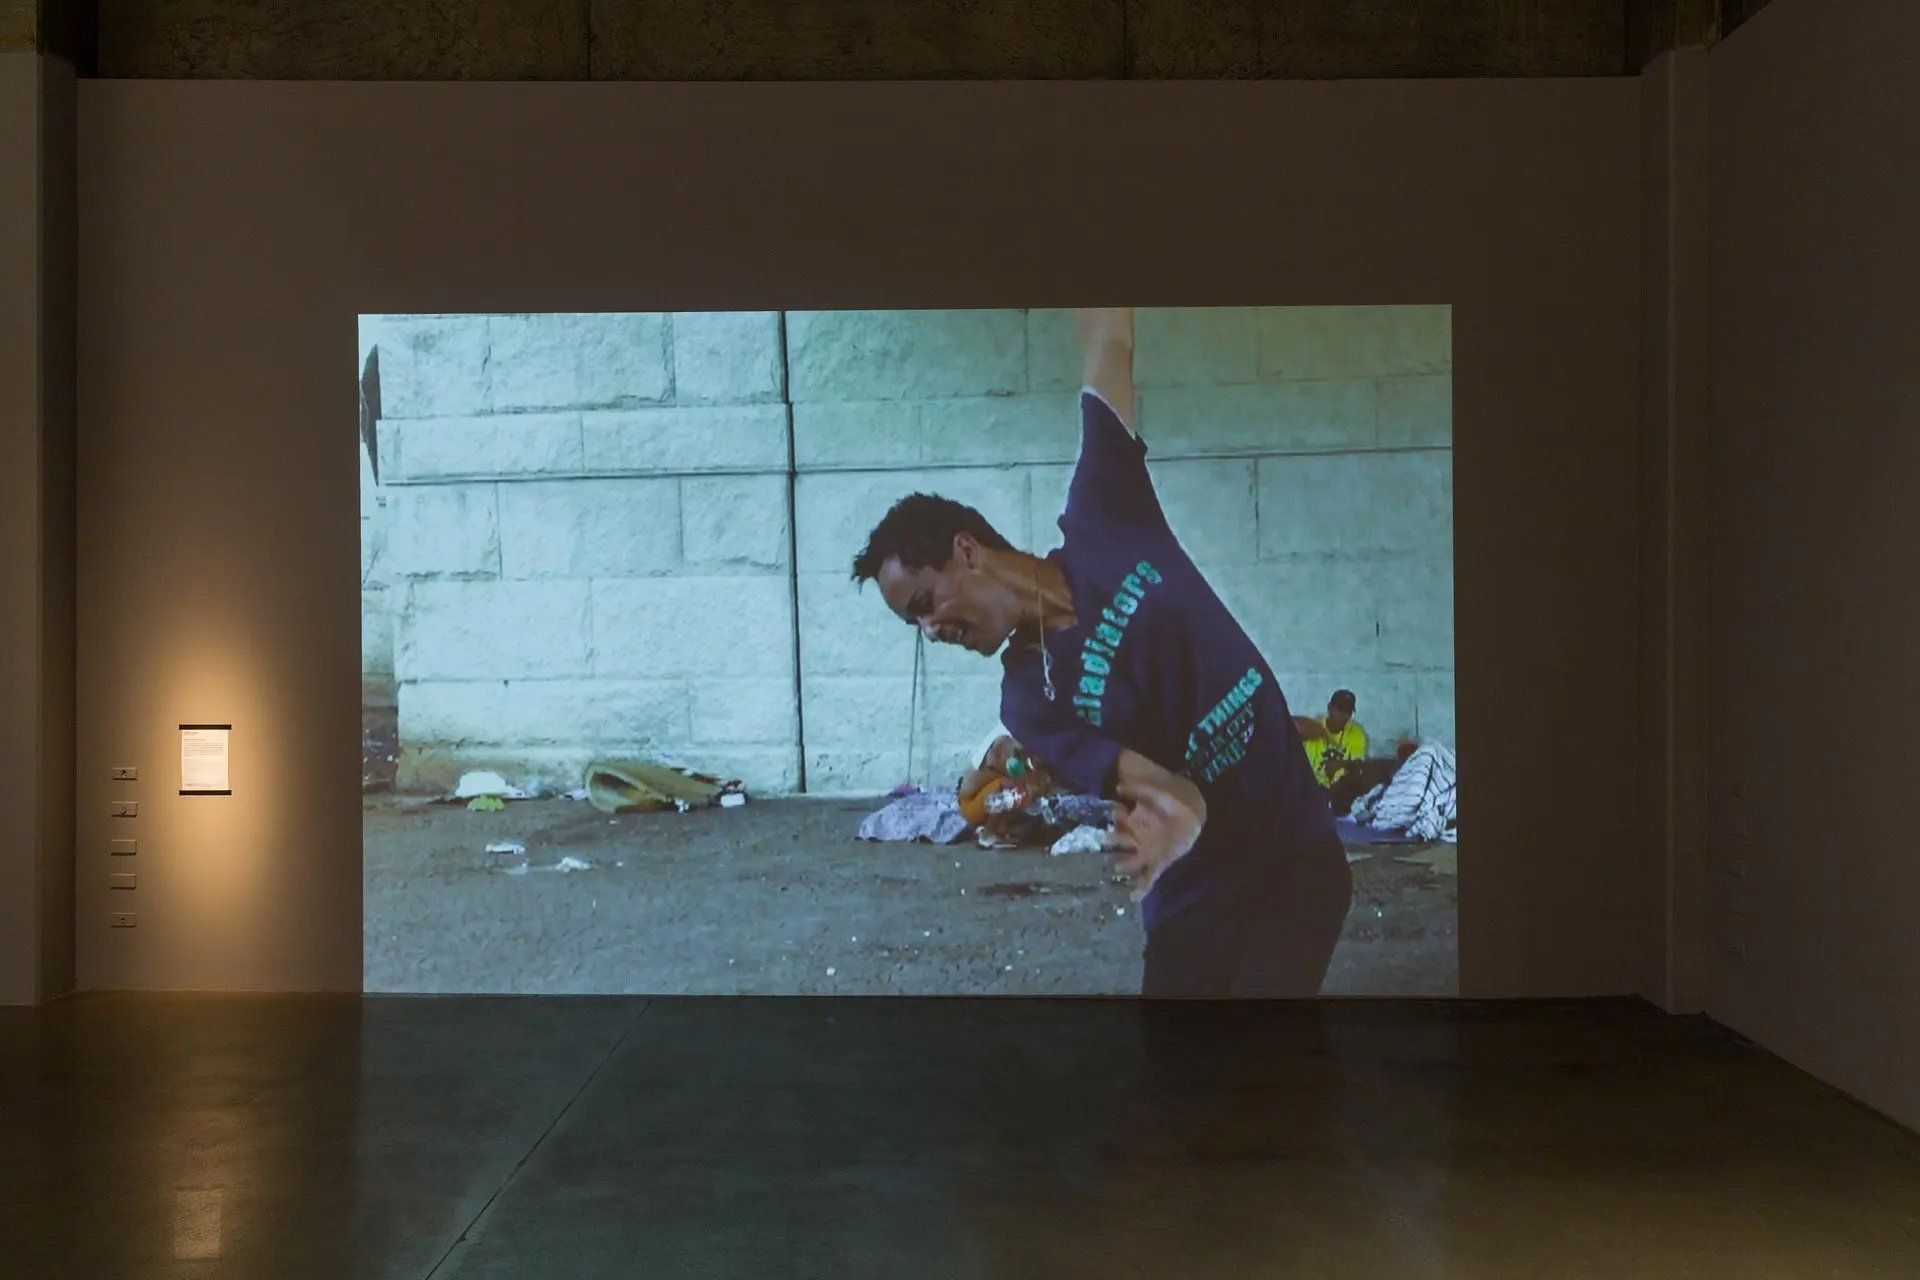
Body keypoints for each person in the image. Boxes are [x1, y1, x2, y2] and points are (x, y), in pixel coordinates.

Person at [850, 307, 1351, 997]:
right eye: (917, 625)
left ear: (965, 551)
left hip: (1297, 856)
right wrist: (1177, 812)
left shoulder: (1104, 514)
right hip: (1195, 899)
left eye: (926, 604)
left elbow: (1110, 339)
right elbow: (1150, 784)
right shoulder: (1027, 698)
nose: (932, 631)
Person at [1299, 689, 1368, 789]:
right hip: (1309, 787)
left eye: (1348, 711)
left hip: (1338, 791)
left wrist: (1343, 763)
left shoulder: (1356, 733)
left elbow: (1358, 763)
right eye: (1340, 709)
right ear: (1329, 708)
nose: (1344, 715)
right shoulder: (1313, 727)